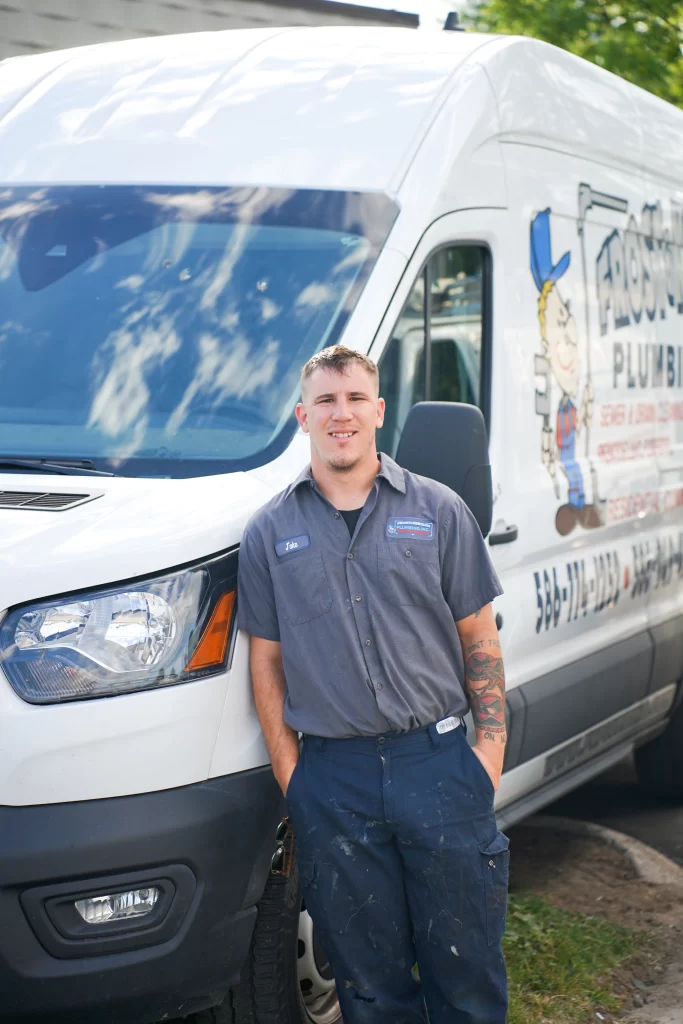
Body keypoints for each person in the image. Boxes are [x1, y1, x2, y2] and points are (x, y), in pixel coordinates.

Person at [237, 345, 509, 1023]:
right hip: (335, 782)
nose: (341, 414)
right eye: (326, 400)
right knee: (367, 985)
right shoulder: (269, 533)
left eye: (355, 398)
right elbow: (265, 662)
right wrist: (292, 773)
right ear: (303, 416)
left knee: (466, 975)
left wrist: (489, 755)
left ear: (378, 411)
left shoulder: (440, 512)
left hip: (439, 767)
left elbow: (479, 638)